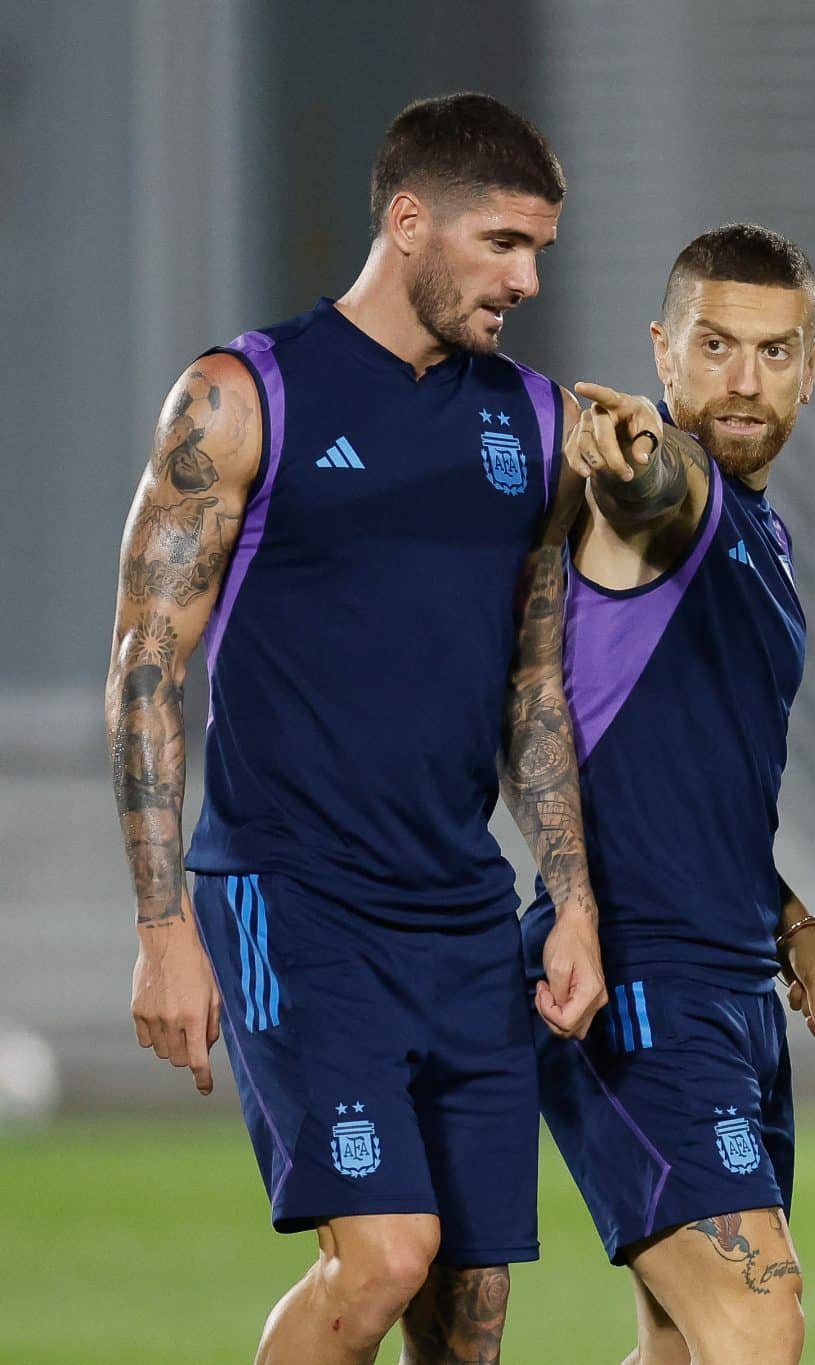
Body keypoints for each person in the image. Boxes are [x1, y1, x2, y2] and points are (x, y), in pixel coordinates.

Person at [108, 93, 612, 1364]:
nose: (528, 278)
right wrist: (164, 927)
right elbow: (145, 669)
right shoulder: (240, 398)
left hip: (461, 912)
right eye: (502, 243)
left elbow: (533, 690)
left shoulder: (538, 428)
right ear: (407, 221)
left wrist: (572, 903)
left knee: (472, 1311)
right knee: (385, 1255)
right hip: (295, 898)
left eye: (539, 247)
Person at [519, 223, 815, 1365]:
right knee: (758, 1325)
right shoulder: (673, 501)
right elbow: (646, 491)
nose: (743, 380)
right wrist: (632, 459)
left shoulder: (766, 533)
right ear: (662, 352)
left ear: (812, 367)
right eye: (714, 346)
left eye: (773, 352)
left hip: (732, 983)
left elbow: (693, 777)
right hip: (638, 981)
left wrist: (789, 919)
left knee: (681, 1351)